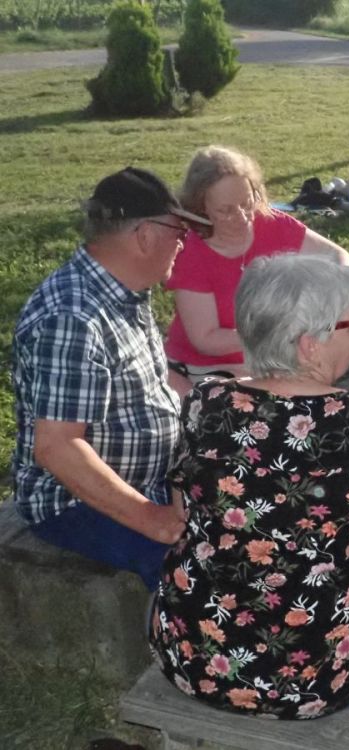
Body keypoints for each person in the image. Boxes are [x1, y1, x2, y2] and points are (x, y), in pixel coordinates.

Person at [149, 253, 349, 718]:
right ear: (310, 346)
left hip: (193, 663)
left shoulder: (206, 401)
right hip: (324, 685)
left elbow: (183, 508)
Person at [11, 167, 212, 590]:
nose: (183, 243)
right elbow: (58, 446)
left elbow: (152, 382)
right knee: (198, 574)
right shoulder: (72, 317)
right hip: (75, 502)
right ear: (145, 235)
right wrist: (150, 517)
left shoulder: (123, 291)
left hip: (148, 480)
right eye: (179, 232)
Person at [164, 145, 349, 390]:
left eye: (246, 202)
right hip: (206, 366)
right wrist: (276, 333)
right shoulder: (191, 251)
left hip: (268, 360)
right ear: (200, 209)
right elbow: (206, 339)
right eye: (226, 210)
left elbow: (338, 257)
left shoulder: (271, 223)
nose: (242, 217)